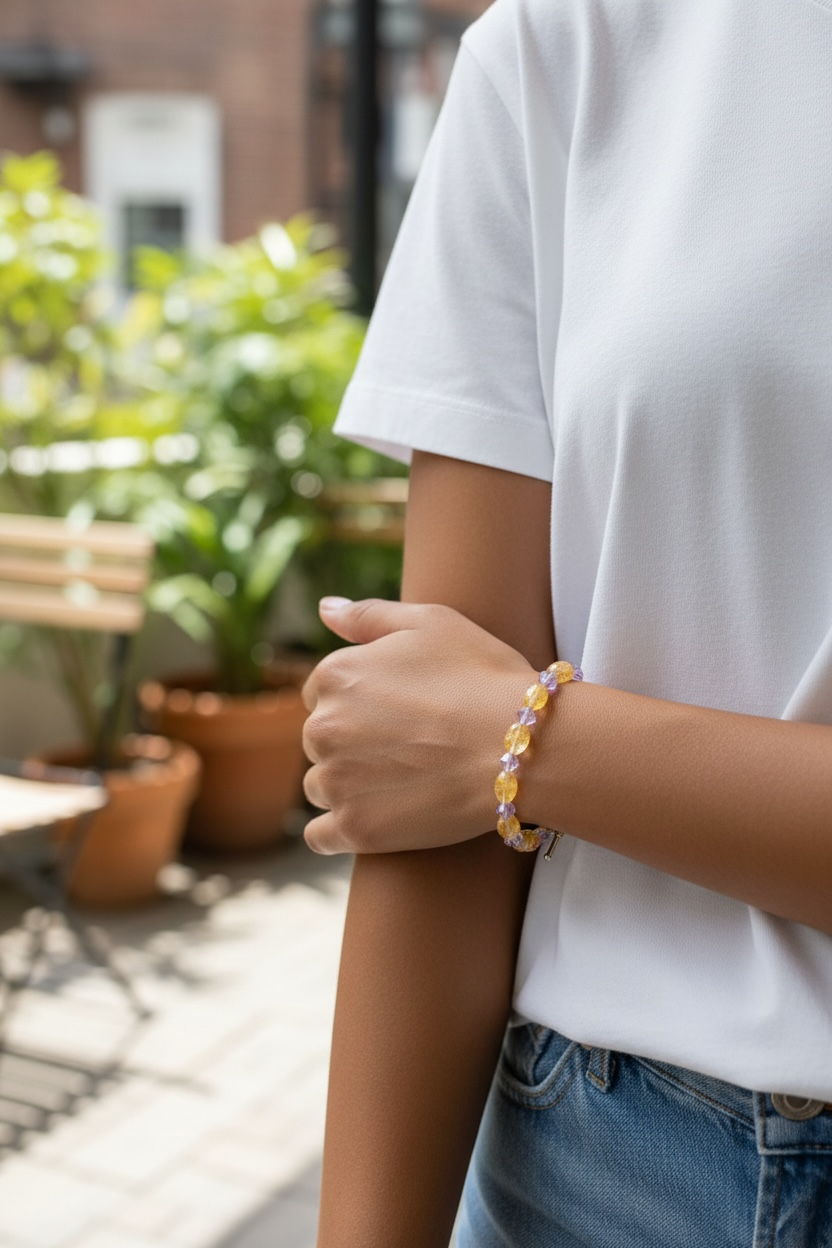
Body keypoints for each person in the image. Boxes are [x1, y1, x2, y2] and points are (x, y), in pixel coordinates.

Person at [301, 0, 832, 1241]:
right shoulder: (566, 47)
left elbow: (456, 742)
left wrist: (526, 742)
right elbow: (430, 805)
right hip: (599, 1176)